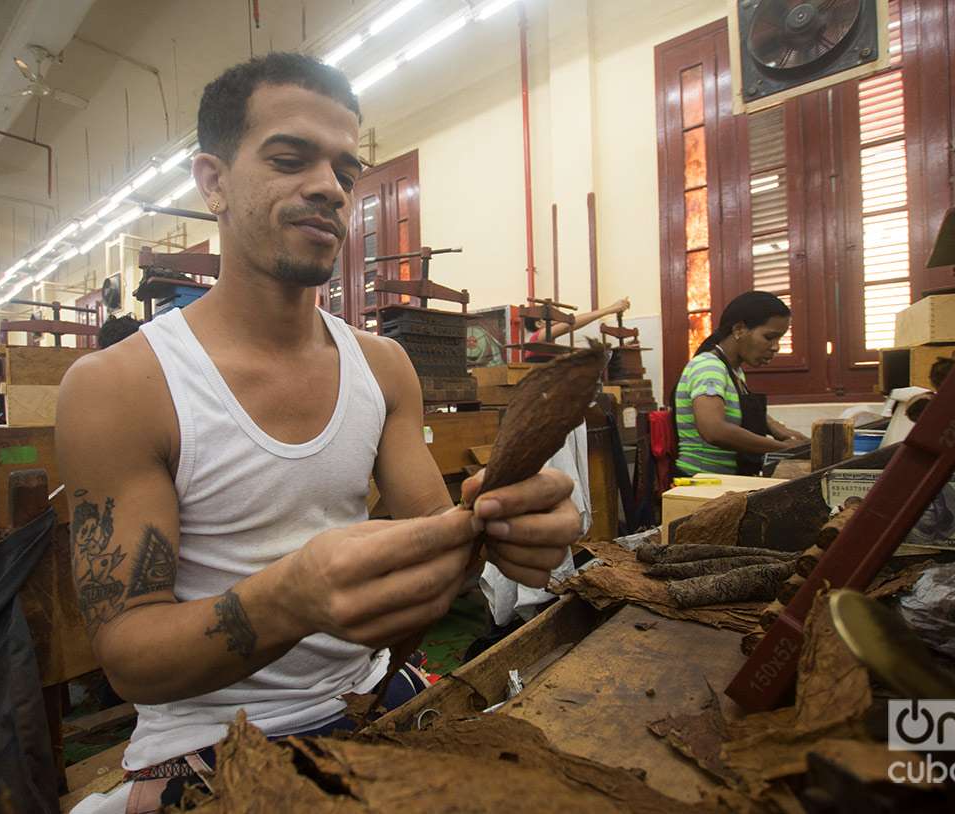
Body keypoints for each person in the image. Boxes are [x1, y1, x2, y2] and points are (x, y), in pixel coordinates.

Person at [59, 53, 580, 814]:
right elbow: (130, 661)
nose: (330, 188)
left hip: (377, 701)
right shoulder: (121, 388)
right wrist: (286, 602)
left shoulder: (384, 366)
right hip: (211, 744)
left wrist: (500, 532)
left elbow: (435, 545)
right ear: (213, 182)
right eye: (288, 158)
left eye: (346, 168)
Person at [673, 291, 806, 476]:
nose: (776, 347)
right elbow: (714, 430)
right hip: (701, 481)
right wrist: (782, 448)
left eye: (779, 339)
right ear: (739, 330)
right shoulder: (709, 367)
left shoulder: (735, 371)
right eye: (769, 337)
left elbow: (736, 407)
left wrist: (780, 430)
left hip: (726, 479)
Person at [523, 295, 631, 362]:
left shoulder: (548, 341)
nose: (559, 316)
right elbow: (571, 324)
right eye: (554, 314)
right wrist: (611, 309)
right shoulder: (538, 336)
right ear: (539, 323)